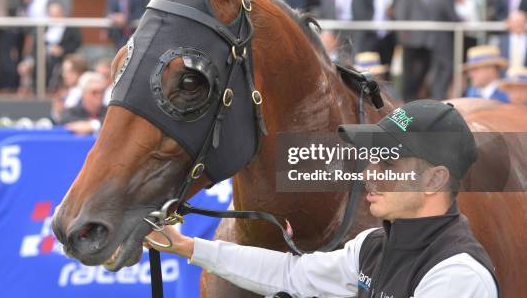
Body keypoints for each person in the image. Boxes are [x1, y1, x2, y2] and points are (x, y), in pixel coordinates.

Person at [145, 100, 498, 298]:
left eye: (388, 162)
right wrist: (187, 246)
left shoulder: (458, 276)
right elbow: (289, 273)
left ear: (434, 179)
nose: (368, 173)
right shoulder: (373, 245)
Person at [17, 2, 81, 93]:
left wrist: (62, 50)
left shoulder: (70, 27)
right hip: (40, 55)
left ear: (62, 14)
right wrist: (29, 60)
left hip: (60, 56)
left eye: (56, 14)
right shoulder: (43, 27)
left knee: (48, 60)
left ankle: (47, 89)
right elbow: (35, 46)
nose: (54, 17)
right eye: (52, 15)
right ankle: (35, 89)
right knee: (31, 63)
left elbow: (76, 43)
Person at [395, 0, 436, 102]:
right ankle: (407, 97)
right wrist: (404, 35)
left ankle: (415, 94)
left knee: (424, 68)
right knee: (409, 71)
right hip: (411, 39)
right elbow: (401, 12)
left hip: (426, 40)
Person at [427, 0, 464, 100]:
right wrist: (463, 22)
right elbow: (452, 17)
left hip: (434, 40)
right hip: (444, 40)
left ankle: (437, 98)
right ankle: (440, 100)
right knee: (446, 71)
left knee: (438, 72)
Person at [372, 0, 396, 73]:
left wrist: (392, 13)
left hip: (388, 35)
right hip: (373, 34)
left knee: (387, 65)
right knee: (373, 65)